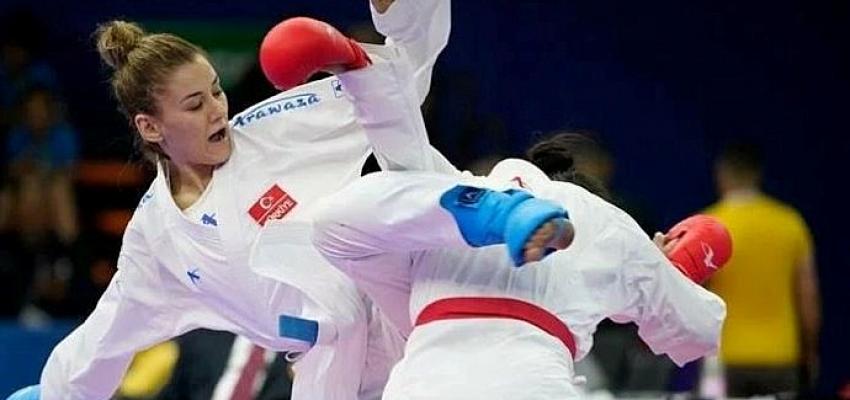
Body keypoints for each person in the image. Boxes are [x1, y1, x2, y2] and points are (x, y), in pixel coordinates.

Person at [6, 1, 452, 399]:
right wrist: (53, 394)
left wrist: (395, 10)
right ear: (150, 127)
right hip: (329, 368)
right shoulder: (156, 236)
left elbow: (396, 78)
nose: (217, 110)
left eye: (216, 91)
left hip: (406, 313)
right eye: (194, 105)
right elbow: (107, 335)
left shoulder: (274, 129)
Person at [308, 134, 732, 398]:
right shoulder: (604, 220)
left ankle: (490, 212)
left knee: (333, 225)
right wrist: (668, 271)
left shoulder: (450, 188)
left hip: (419, 383)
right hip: (531, 382)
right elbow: (698, 329)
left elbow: (337, 221)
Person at [704, 141, 820, 397]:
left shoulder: (708, 227)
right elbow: (808, 297)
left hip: (726, 357)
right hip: (781, 356)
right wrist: (810, 352)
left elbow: (692, 296)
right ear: (757, 175)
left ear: (721, 175)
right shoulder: (790, 224)